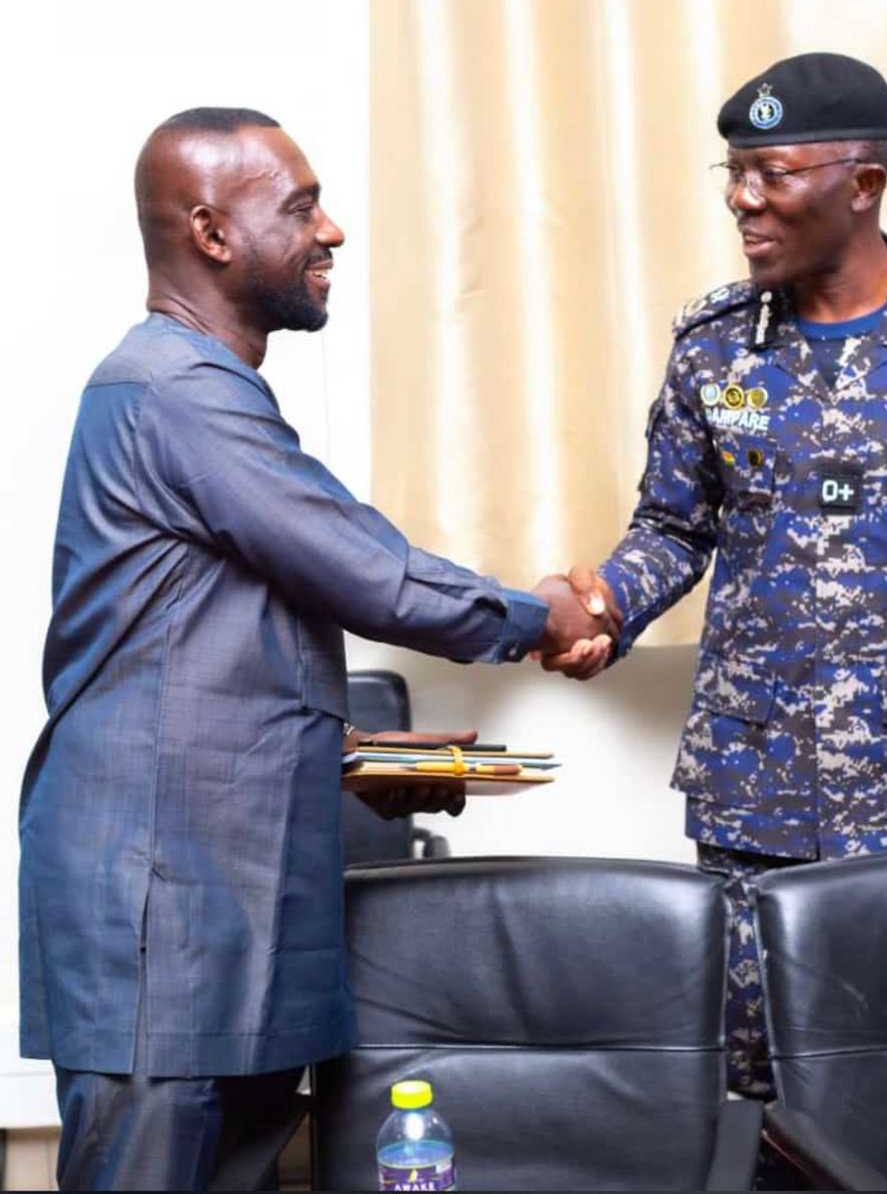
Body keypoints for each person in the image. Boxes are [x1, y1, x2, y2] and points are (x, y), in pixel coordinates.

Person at [18, 107, 611, 1191]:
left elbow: (187, 650)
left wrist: (348, 752)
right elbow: (370, 573)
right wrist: (543, 617)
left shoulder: (196, 387)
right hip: (163, 916)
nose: (330, 229)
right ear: (210, 232)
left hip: (222, 906)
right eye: (299, 208)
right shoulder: (173, 390)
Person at [541, 52, 887, 1097]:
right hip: (758, 795)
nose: (742, 199)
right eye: (733, 172)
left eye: (771, 173)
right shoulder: (714, 347)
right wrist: (606, 606)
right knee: (763, 1083)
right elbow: (673, 525)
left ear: (863, 182)